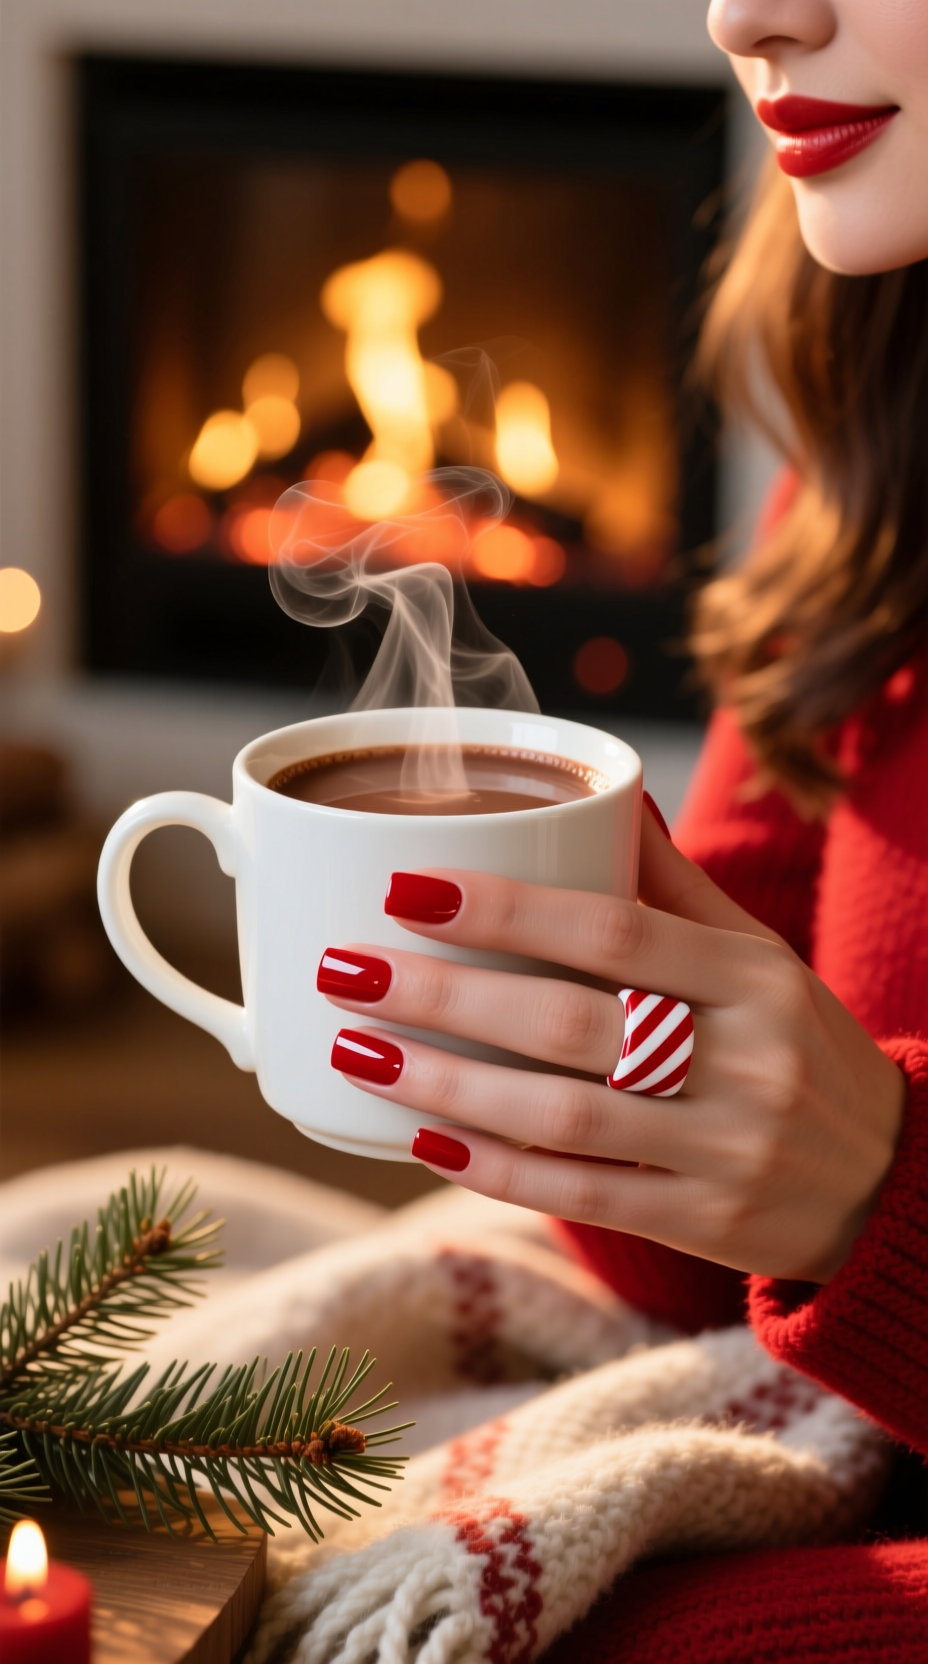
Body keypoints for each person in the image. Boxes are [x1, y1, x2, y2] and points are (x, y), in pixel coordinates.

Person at [317, 0, 928, 1653]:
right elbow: (684, 1283)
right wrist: (597, 986)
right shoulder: (891, 409)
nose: (747, 15)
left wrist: (887, 1197)